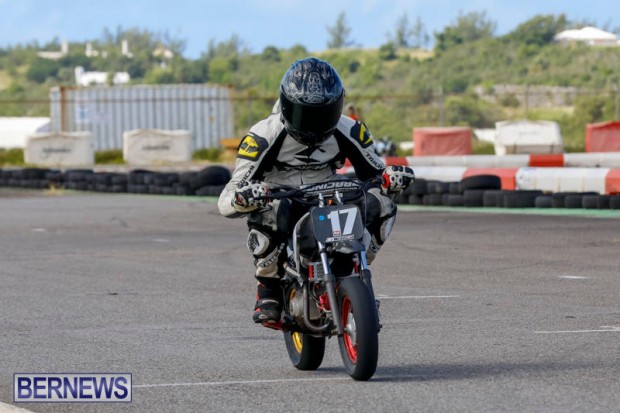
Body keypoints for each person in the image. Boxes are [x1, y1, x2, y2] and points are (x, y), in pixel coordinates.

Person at [218, 57, 415, 325]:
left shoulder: (351, 129)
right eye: (304, 115)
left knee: (382, 203)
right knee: (268, 211)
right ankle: (268, 289)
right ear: (286, 106)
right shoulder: (263, 135)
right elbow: (228, 196)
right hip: (283, 195)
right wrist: (244, 198)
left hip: (331, 192)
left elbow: (375, 173)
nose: (313, 124)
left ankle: (358, 269)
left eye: (323, 114)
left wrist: (391, 179)